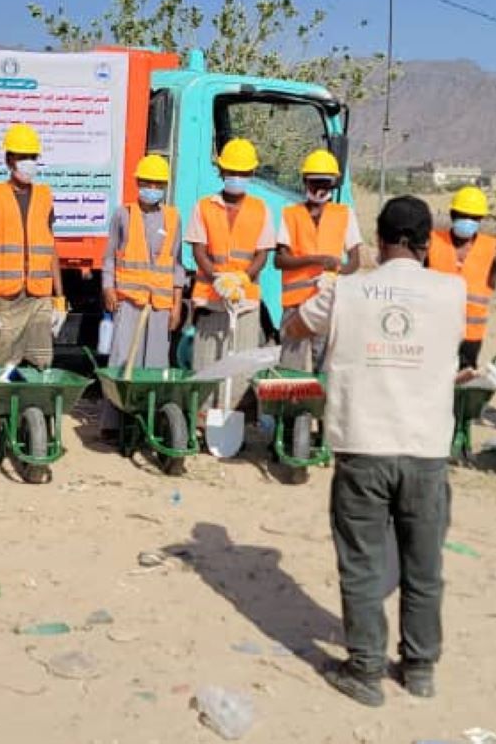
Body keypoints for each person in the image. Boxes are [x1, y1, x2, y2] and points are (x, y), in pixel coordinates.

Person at [284, 195, 466, 706]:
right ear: (428, 242)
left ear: (378, 243)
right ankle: (420, 668)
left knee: (361, 563)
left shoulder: (345, 291)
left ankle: (365, 671)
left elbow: (296, 326)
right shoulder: (452, 290)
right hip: (426, 449)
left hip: (363, 446)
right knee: (424, 566)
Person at [100, 153, 184, 435]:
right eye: (147, 182)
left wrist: (176, 304)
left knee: (155, 365)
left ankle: (152, 423)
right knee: (123, 361)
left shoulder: (173, 218)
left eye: (157, 184)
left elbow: (176, 264)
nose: (152, 188)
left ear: (164, 187)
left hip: (159, 305)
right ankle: (113, 424)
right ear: (137, 182)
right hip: (129, 301)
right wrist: (108, 287)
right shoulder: (123, 214)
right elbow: (110, 256)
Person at [0, 123, 65, 369]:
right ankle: (3, 407)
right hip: (6, 299)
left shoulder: (44, 195)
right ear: (9, 160)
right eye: (22, 157)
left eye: (33, 157)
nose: (29, 162)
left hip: (39, 298)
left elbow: (51, 249)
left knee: (41, 363)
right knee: (4, 366)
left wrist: (59, 298)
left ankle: (33, 407)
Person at [189, 138, 275, 380]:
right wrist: (217, 278)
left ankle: (235, 413)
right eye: (231, 171)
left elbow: (262, 254)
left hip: (244, 302)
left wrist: (241, 280)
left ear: (251, 173)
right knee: (206, 368)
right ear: (221, 170)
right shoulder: (204, 207)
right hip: (210, 300)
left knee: (239, 371)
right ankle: (203, 415)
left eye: (242, 172)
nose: (236, 176)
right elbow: (199, 250)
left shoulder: (261, 209)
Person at [274, 149, 361, 372]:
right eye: (315, 183)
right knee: (290, 369)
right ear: (305, 182)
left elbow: (355, 261)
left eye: (326, 183)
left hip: (328, 303)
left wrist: (337, 271)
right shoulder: (290, 214)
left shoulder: (344, 214)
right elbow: (280, 260)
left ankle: (319, 407)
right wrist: (316, 260)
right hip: (295, 305)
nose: (320, 189)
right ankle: (289, 407)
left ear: (334, 185)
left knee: (326, 370)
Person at [428, 186, 496, 373]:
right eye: (463, 215)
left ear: (480, 219)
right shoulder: (433, 242)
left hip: (471, 336)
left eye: (473, 217)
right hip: (434, 331)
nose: (468, 221)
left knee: (464, 380)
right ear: (452, 214)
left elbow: (491, 284)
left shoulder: (489, 248)